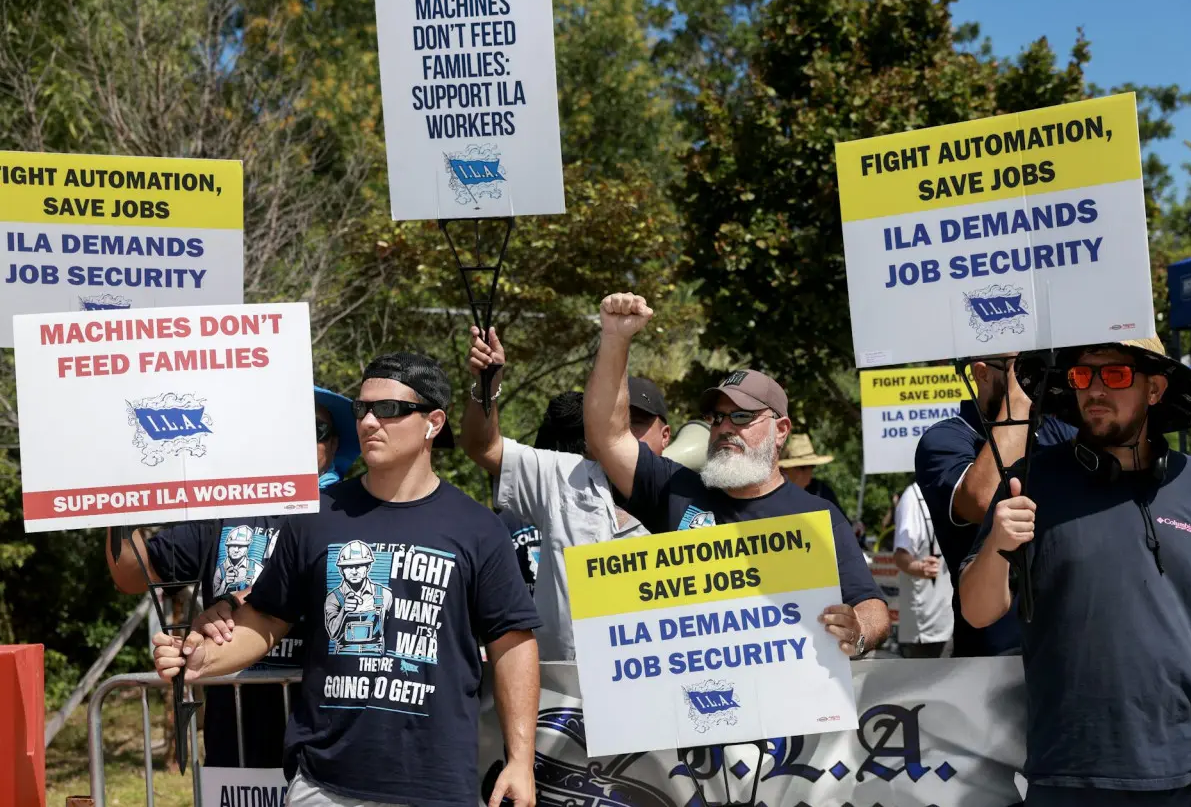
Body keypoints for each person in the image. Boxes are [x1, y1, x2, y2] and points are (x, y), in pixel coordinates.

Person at [153, 352, 542, 807]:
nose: (370, 421)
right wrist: (195, 658)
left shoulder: (477, 528)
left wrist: (520, 760)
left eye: (390, 409)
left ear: (433, 423)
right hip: (323, 784)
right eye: (362, 409)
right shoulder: (317, 516)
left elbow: (512, 643)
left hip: (434, 783)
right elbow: (263, 621)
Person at [961, 337, 1191, 805]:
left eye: (1116, 375)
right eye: (1083, 376)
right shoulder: (1031, 481)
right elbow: (977, 611)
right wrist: (997, 545)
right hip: (1073, 771)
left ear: (1154, 389)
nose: (1096, 390)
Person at [584, 292, 889, 656]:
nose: (725, 427)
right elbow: (607, 437)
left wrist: (857, 631)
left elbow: (874, 609)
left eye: (742, 416)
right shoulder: (675, 488)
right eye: (717, 418)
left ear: (781, 430)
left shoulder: (817, 517)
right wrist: (616, 339)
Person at [105, 385, 359, 768]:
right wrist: (113, 499)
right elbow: (131, 575)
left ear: (334, 445)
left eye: (316, 429)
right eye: (287, 424)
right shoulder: (227, 509)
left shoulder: (353, 513)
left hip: (324, 741)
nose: (300, 436)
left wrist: (238, 602)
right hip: (233, 743)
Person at [460, 325, 671, 660]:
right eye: (612, 423)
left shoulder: (692, 494)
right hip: (563, 697)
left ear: (666, 436)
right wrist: (488, 384)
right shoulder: (562, 475)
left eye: (636, 423)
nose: (623, 436)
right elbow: (481, 446)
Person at [914, 353, 1074, 657]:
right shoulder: (946, 438)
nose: (1036, 376)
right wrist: (1019, 396)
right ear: (982, 374)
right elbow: (984, 500)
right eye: (1021, 366)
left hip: (1064, 643)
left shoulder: (1058, 431)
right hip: (992, 651)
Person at [892, 481, 952, 658]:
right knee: (923, 681)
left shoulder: (954, 491)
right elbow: (901, 555)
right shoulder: (913, 497)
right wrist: (918, 567)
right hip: (926, 625)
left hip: (955, 616)